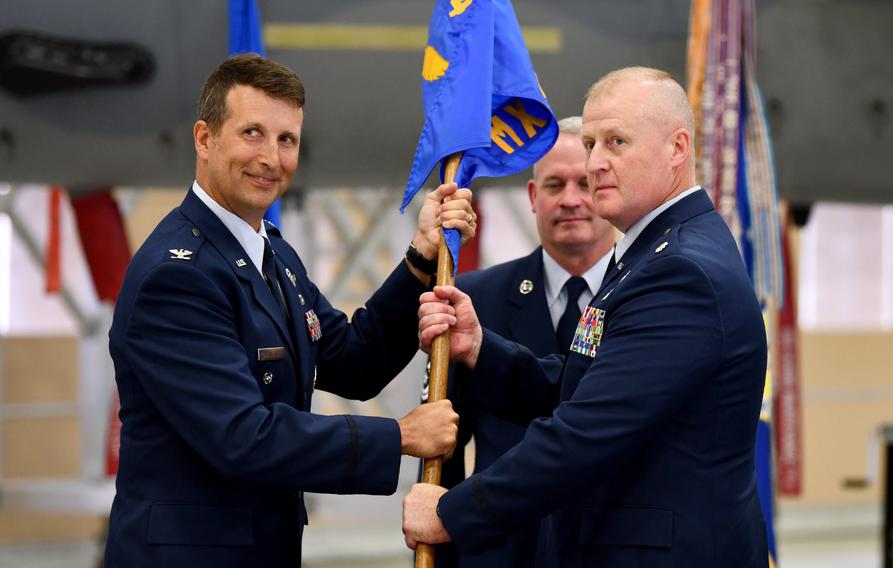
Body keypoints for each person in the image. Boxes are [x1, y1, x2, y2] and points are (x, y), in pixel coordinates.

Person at [104, 54, 474, 567]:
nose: (271, 158)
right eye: (252, 133)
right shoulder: (177, 276)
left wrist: (420, 256)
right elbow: (243, 436)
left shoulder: (271, 253)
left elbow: (353, 360)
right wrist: (401, 437)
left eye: (287, 140)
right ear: (205, 139)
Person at [404, 67, 770, 566]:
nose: (596, 161)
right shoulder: (652, 254)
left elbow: (587, 430)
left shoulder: (680, 272)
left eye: (616, 142)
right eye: (593, 142)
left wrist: (454, 511)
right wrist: (481, 350)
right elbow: (587, 384)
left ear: (677, 148)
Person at [434, 116, 616, 567]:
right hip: (503, 549)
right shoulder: (475, 299)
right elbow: (446, 446)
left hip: (610, 546)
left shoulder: (646, 296)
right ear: (534, 198)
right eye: (555, 185)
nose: (571, 200)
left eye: (584, 183)